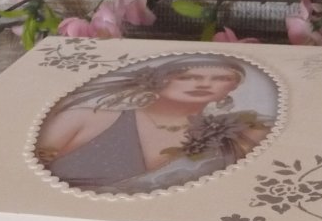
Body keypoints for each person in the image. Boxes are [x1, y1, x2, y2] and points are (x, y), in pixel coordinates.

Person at [35, 55, 273, 194]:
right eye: (187, 77)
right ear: (157, 81)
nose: (204, 84)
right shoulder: (86, 118)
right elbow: (28, 178)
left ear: (231, 88)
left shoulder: (235, 135)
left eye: (221, 78)